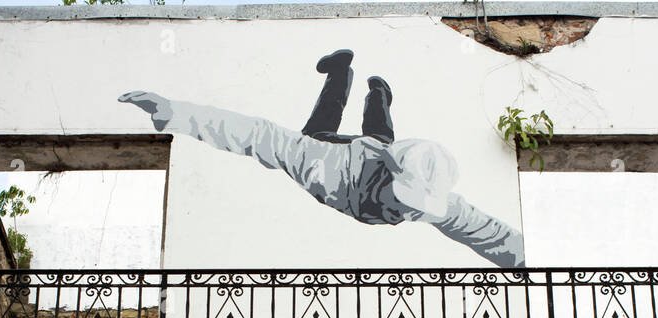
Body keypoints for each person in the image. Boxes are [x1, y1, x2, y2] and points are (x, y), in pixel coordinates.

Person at [119, 49, 525, 267]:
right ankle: (340, 75)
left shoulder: (431, 205)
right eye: (402, 202)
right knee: (318, 132)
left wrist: (524, 260)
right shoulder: (320, 164)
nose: (404, 213)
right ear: (387, 178)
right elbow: (255, 134)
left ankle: (378, 91)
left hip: (375, 152)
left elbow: (480, 228)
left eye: (415, 207)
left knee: (381, 132)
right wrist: (173, 112)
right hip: (339, 157)